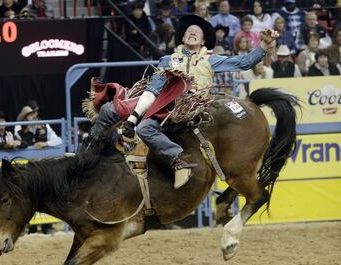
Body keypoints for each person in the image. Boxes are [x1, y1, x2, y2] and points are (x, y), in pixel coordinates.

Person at [89, 15, 278, 189]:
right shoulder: (167, 60)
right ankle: (89, 154)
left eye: (197, 32)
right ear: (182, 38)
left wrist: (263, 45)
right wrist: (134, 116)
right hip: (160, 103)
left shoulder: (211, 61)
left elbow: (243, 62)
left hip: (189, 107)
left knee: (145, 128)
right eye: (189, 31)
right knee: (106, 109)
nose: (193, 32)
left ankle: (178, 160)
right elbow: (153, 89)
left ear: (203, 41)